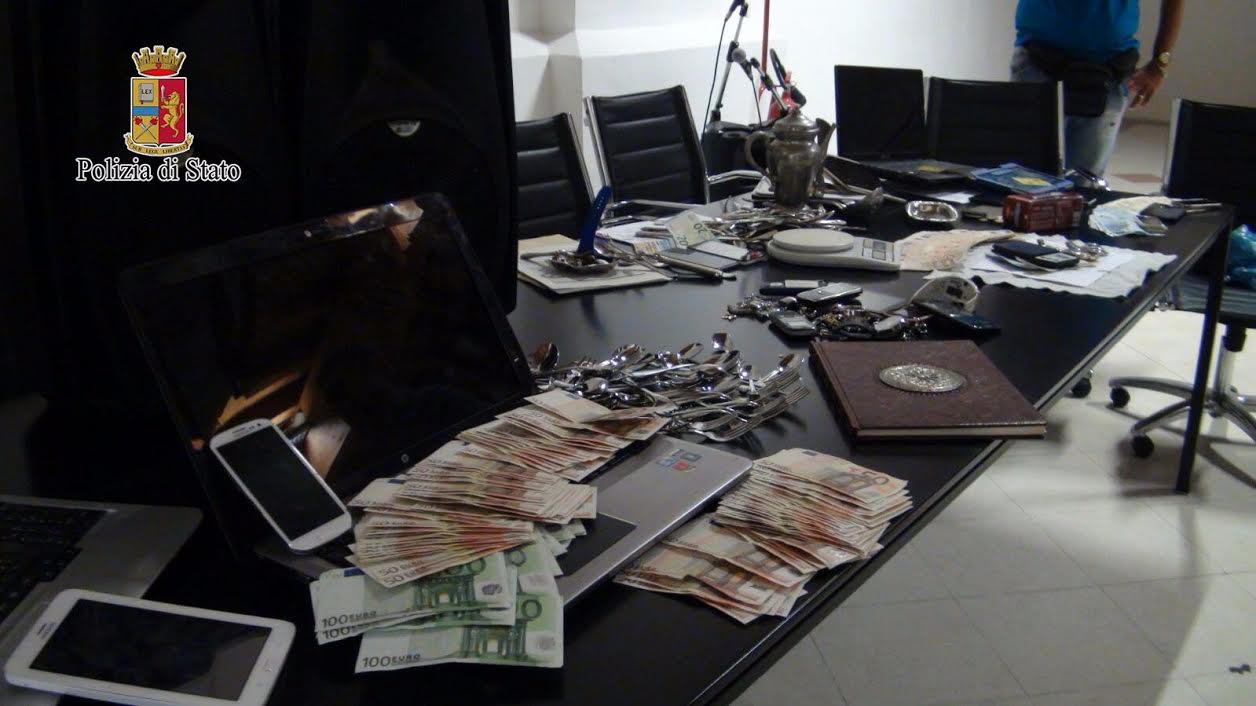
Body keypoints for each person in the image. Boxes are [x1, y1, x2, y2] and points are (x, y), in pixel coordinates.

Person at [1010, 0, 1185, 177]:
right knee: (1025, 179)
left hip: (1107, 72)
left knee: (1084, 183)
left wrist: (1160, 63)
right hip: (1038, 60)